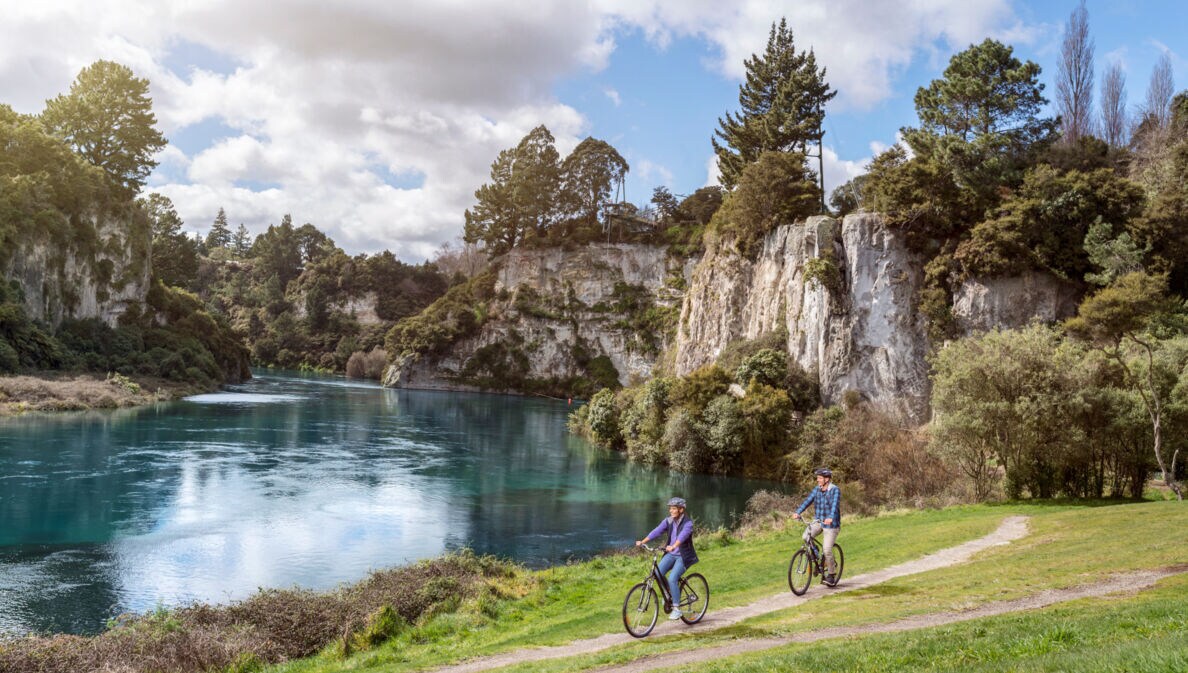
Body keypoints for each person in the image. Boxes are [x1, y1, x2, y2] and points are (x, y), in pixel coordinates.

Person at [636, 496, 698, 620]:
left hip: (683, 556)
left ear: (681, 510)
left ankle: (676, 609)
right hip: (671, 554)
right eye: (670, 508)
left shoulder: (688, 523)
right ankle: (668, 594)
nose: (670, 510)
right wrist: (643, 541)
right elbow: (657, 531)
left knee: (672, 578)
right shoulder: (668, 521)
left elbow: (683, 537)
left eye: (673, 508)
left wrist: (673, 546)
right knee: (658, 574)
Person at [792, 467, 841, 584]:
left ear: (827, 479)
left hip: (831, 524)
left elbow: (834, 506)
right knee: (806, 537)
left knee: (827, 549)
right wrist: (798, 512)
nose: (818, 480)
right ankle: (816, 553)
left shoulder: (835, 490)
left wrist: (830, 517)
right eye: (817, 478)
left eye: (820, 478)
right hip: (818, 521)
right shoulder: (817, 489)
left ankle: (831, 575)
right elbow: (807, 501)